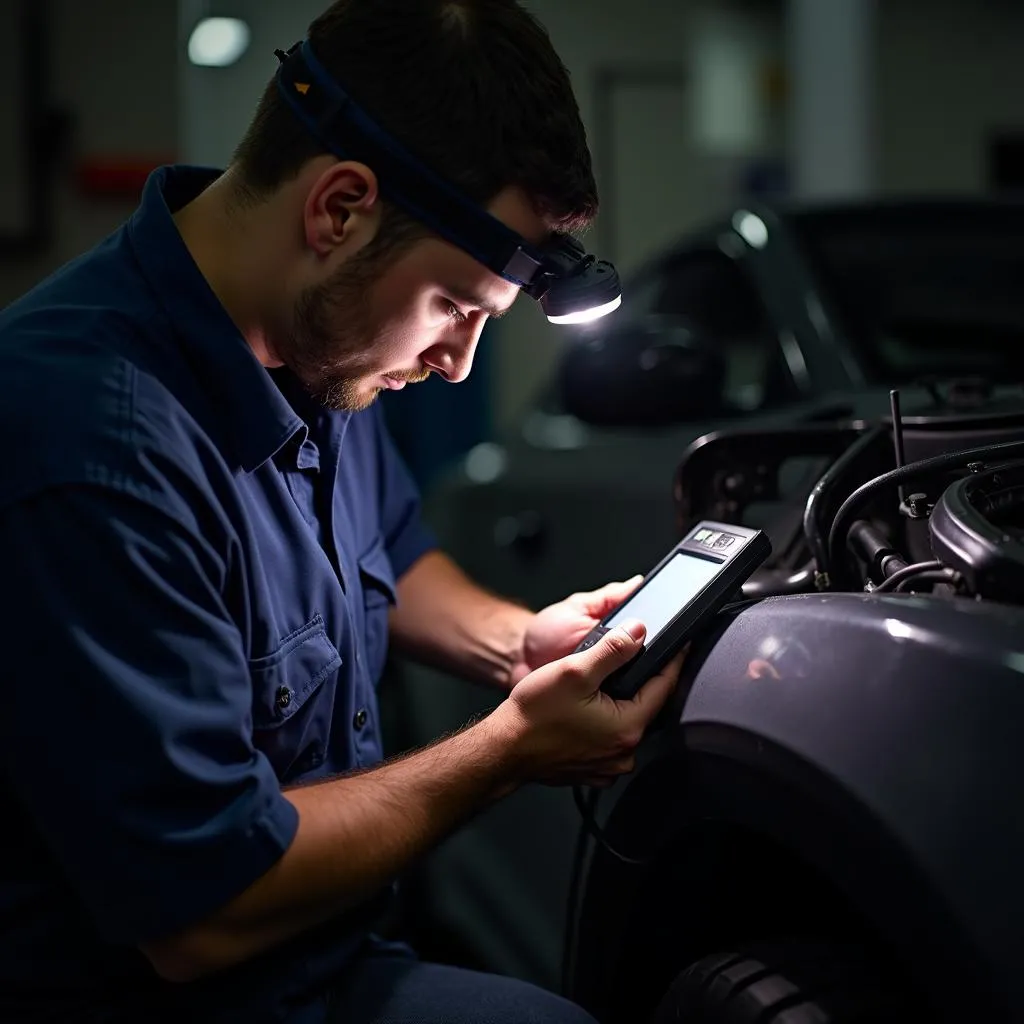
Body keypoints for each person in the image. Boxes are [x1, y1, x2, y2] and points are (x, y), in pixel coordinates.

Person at [0, 1, 683, 1022]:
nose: (456, 364)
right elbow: (202, 909)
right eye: (456, 306)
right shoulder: (97, 447)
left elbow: (392, 553)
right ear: (340, 209)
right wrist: (506, 750)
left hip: (329, 947)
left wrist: (517, 646)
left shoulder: (315, 339)